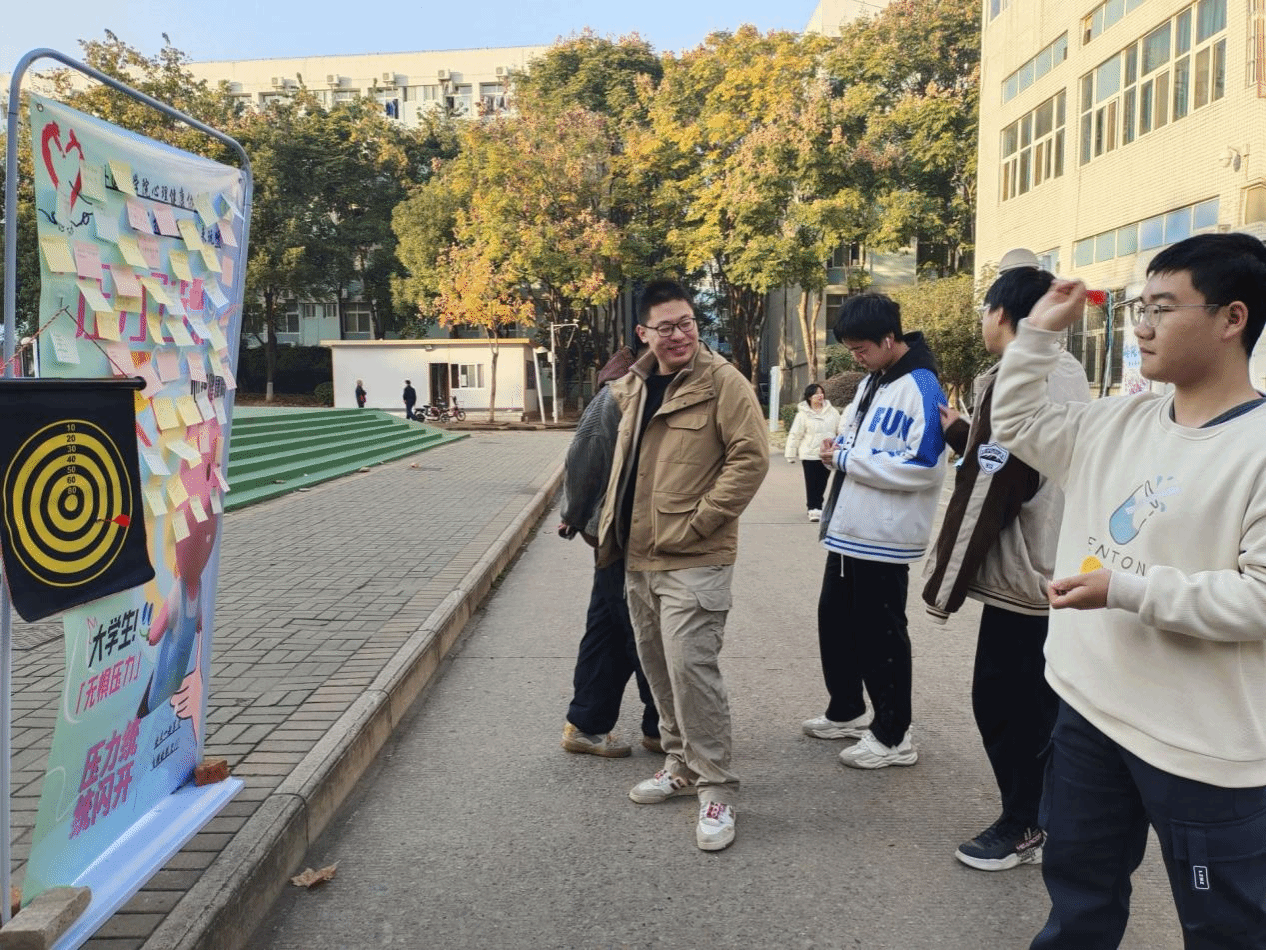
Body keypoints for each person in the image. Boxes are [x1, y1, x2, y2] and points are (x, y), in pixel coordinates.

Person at [990, 232, 1266, 948]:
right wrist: (1039, 333)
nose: (1142, 325)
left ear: (1232, 318)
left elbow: (1259, 599)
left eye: (1162, 308)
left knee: (1228, 929)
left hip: (1199, 745)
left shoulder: (1257, 447)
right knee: (1077, 908)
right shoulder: (1119, 420)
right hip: (1089, 710)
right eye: (1139, 307)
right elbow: (1016, 422)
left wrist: (1127, 589)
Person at [921, 258, 1090, 872]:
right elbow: (1020, 460)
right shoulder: (1066, 371)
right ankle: (1045, 816)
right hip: (1049, 565)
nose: (983, 321)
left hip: (1027, 574)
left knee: (1004, 705)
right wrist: (964, 434)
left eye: (985, 310)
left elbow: (996, 484)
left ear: (1002, 313)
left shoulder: (1020, 375)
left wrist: (943, 584)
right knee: (1033, 705)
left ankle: (1026, 823)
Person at [596, 278, 767, 852]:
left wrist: (699, 522)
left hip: (695, 555)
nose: (679, 335)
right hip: (638, 555)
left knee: (693, 670)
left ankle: (716, 787)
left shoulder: (723, 382)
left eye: (687, 322)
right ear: (643, 332)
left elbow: (750, 458)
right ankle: (679, 764)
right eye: (665, 326)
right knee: (659, 669)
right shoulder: (634, 383)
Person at [803, 293, 947, 770]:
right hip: (850, 530)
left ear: (889, 338)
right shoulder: (873, 381)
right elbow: (862, 442)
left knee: (880, 637)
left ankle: (893, 735)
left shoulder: (922, 385)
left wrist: (847, 459)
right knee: (835, 623)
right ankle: (846, 709)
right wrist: (838, 447)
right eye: (851, 350)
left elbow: (925, 465)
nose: (857, 359)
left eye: (861, 349)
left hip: (884, 537)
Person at [557, 343, 660, 758]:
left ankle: (588, 723)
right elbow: (584, 458)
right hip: (622, 532)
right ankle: (660, 725)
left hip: (642, 531)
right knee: (644, 629)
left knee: (611, 627)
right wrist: (576, 514)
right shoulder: (617, 393)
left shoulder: (665, 384)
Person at [784, 383, 840, 522]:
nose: (820, 396)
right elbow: (795, 435)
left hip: (826, 454)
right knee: (811, 482)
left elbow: (840, 431)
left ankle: (818, 506)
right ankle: (813, 508)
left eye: (821, 392)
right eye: (816, 393)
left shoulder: (832, 412)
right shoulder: (802, 415)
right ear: (809, 397)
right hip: (809, 453)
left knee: (822, 482)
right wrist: (790, 454)